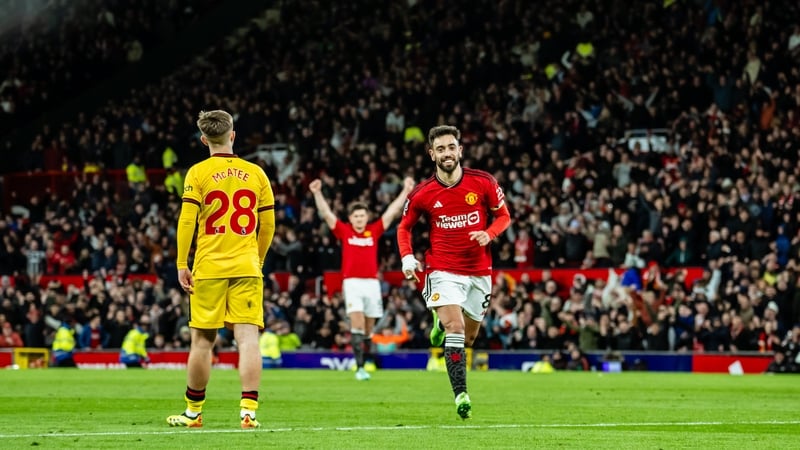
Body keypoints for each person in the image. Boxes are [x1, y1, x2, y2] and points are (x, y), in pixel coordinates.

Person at [167, 110, 276, 429]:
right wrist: (257, 258)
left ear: (204, 140)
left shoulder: (197, 173)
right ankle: (248, 412)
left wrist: (181, 264)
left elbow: (187, 220)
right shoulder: (256, 173)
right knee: (248, 339)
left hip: (209, 267)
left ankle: (193, 412)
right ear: (233, 135)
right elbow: (267, 224)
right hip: (246, 266)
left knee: (202, 342)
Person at [397, 125, 511, 419]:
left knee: (469, 338)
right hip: (443, 269)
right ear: (431, 154)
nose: (447, 153)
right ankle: (461, 394)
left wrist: (490, 234)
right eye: (441, 149)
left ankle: (438, 320)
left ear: (460, 150)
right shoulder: (423, 193)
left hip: (479, 272)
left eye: (451, 147)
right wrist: (408, 258)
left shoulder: (483, 182)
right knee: (456, 329)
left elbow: (503, 215)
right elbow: (404, 227)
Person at [309, 174, 414, 380]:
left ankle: (365, 362)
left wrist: (405, 191)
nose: (359, 219)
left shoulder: (373, 231)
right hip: (353, 283)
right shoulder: (345, 232)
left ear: (366, 217)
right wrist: (317, 193)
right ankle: (359, 368)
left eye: (362, 216)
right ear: (350, 218)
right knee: (356, 324)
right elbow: (326, 213)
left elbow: (392, 212)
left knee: (368, 329)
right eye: (356, 216)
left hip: (372, 285)